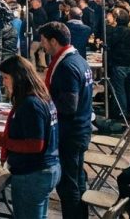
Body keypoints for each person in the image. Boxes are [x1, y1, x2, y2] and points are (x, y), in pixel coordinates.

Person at [0, 55, 61, 219]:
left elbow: (35, 145)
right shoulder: (41, 96)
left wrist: (1, 141)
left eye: (6, 78)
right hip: (45, 169)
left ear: (18, 77)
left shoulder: (30, 104)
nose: (4, 83)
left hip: (33, 173)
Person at [39, 21, 93, 219]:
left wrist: (44, 106)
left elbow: (69, 106)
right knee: (77, 180)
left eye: (43, 41)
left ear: (54, 41)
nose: (42, 45)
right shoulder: (78, 59)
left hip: (71, 134)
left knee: (68, 186)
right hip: (80, 129)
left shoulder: (67, 66)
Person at [105, 7, 130, 120]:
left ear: (117, 19)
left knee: (119, 90)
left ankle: (121, 112)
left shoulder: (115, 31)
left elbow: (110, 45)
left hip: (119, 63)